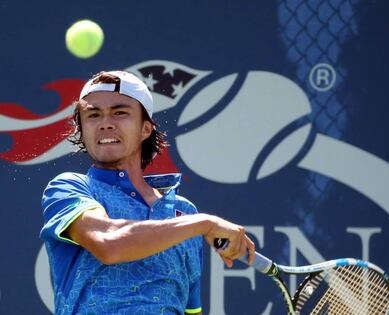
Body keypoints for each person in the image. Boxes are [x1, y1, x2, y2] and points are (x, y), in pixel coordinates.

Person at [40, 70, 255, 315]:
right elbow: (109, 244)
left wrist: (197, 223)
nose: (105, 123)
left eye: (120, 113)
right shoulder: (68, 188)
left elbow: (190, 310)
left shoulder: (184, 212)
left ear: (145, 129)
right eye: (93, 115)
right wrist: (203, 224)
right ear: (82, 129)